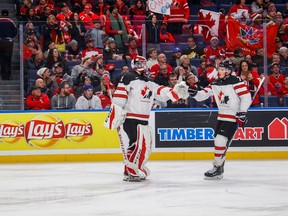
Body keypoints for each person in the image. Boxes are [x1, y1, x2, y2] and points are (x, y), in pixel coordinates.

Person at [104, 56, 188, 182]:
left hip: (143, 118)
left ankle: (129, 170)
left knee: (141, 145)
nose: (140, 65)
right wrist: (116, 111)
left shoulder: (149, 82)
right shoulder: (128, 77)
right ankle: (132, 171)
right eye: (137, 63)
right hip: (131, 117)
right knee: (137, 144)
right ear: (133, 64)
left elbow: (161, 92)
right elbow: (119, 96)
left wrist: (176, 91)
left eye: (142, 63)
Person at [188, 60, 252, 180]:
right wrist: (194, 93)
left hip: (233, 117)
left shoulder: (236, 81)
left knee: (220, 141)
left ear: (229, 71)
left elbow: (246, 97)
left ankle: (217, 167)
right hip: (222, 116)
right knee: (219, 142)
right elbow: (204, 94)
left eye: (222, 69)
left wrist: (242, 113)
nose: (220, 71)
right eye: (220, 69)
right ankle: (219, 168)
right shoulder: (216, 83)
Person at [0, 9, 18, 80]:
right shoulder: (11, 22)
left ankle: (2, 74)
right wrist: (10, 36)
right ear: (8, 14)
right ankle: (7, 75)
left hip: (0, 41)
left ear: (1, 14)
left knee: (1, 59)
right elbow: (15, 32)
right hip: (8, 42)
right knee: (8, 59)